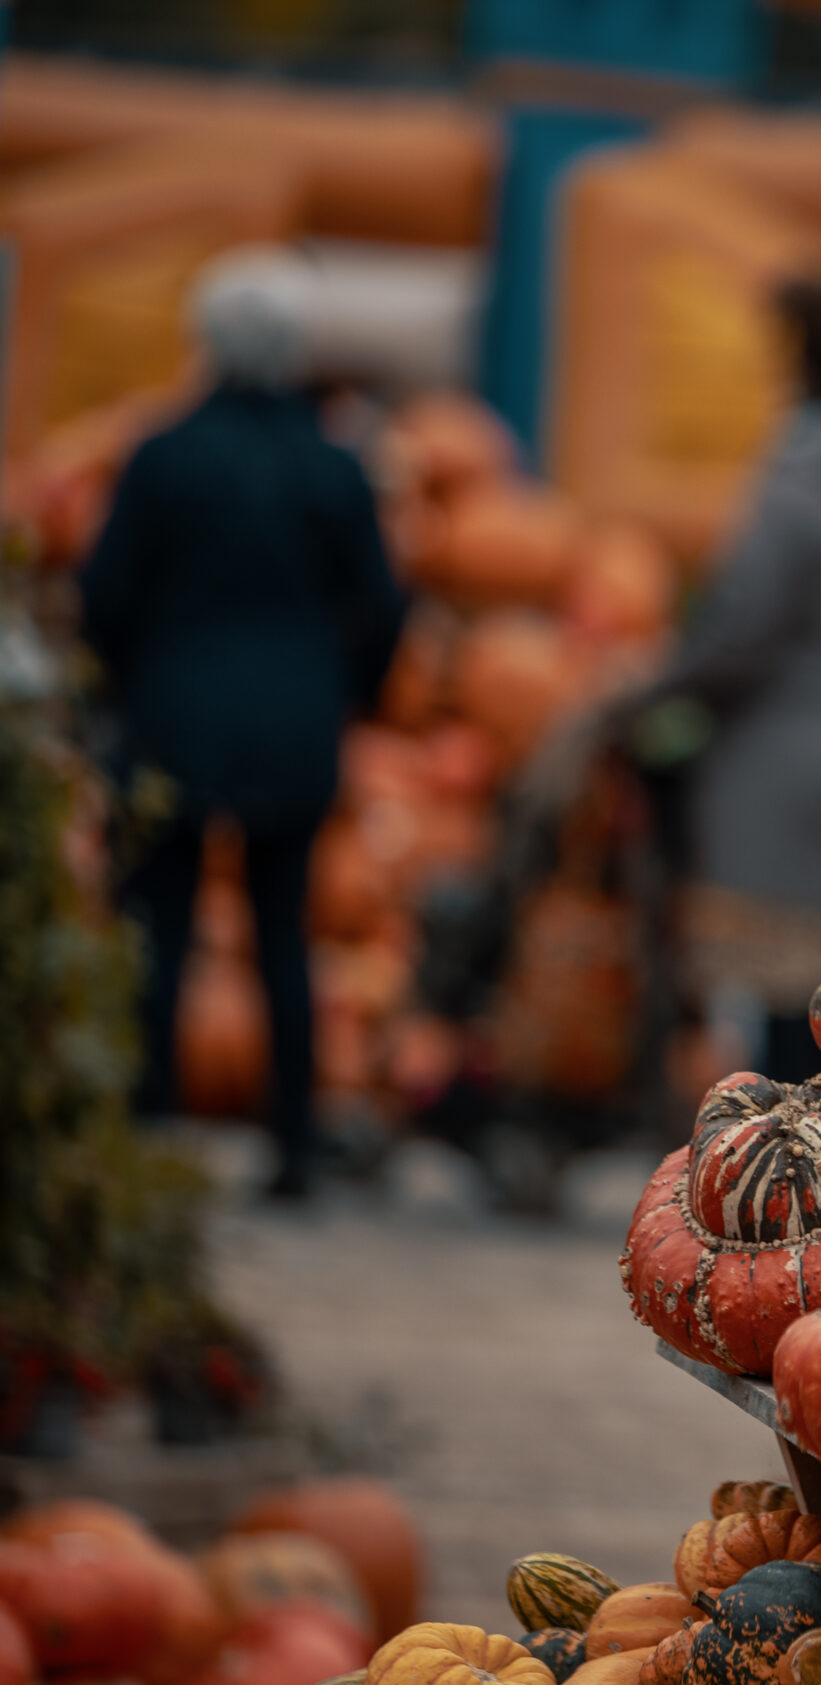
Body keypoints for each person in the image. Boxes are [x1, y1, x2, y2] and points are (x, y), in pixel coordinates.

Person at [80, 246, 408, 1198]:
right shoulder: (336, 467)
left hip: (172, 716)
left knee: (159, 932)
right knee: (282, 934)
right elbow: (384, 608)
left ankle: (141, 1130)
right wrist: (351, 695)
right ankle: (295, 1147)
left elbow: (105, 592)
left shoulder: (161, 453)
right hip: (296, 725)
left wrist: (124, 680)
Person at [626, 268, 821, 1083]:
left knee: (780, 996)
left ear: (796, 357)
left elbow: (743, 629)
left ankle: (784, 1167)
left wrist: (655, 692)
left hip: (784, 756)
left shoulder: (797, 480)